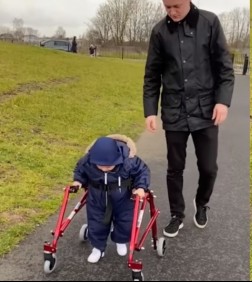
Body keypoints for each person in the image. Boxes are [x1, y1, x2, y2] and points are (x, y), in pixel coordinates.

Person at [143, 0, 234, 238]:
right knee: (175, 168)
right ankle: (176, 214)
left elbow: (225, 67)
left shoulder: (210, 22)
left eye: (176, 6)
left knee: (208, 168)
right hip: (174, 110)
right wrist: (150, 111)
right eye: (167, 7)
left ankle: (202, 202)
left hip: (206, 110)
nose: (172, 12)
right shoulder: (159, 32)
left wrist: (223, 101)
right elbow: (152, 75)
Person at [72, 135, 150, 263]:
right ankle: (98, 248)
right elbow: (80, 171)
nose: (104, 169)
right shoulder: (87, 161)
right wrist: (77, 181)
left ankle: (120, 240)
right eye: (100, 166)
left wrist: (141, 187)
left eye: (109, 166)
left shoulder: (129, 161)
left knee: (126, 222)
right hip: (97, 198)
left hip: (123, 198)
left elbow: (143, 172)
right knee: (96, 224)